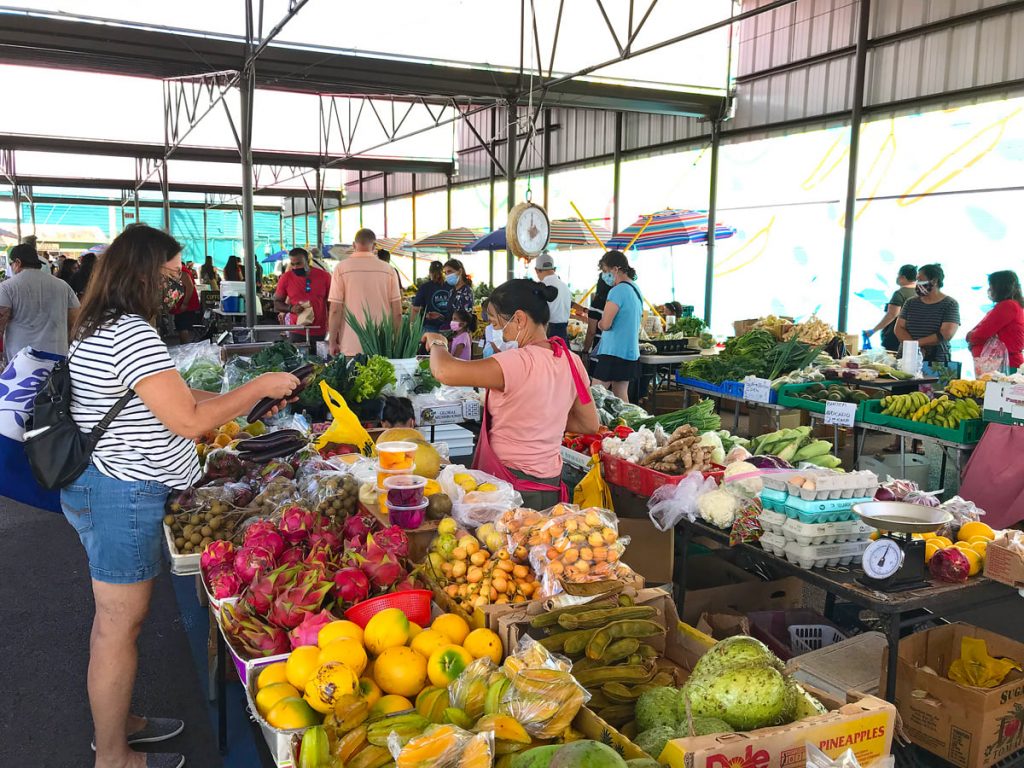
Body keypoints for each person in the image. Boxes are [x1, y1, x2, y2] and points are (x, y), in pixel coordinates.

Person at [62, 224, 300, 768]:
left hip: (105, 484)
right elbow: (187, 419)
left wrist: (233, 399)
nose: (180, 283)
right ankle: (114, 755)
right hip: (121, 491)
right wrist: (257, 389)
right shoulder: (131, 333)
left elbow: (171, 394)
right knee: (118, 625)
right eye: (173, 273)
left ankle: (118, 722)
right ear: (144, 273)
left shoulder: (102, 322)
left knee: (118, 622)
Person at [422, 279, 599, 509]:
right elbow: (590, 424)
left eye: (497, 323)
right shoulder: (571, 361)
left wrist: (437, 342)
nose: (497, 332)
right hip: (551, 485)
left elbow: (444, 371)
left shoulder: (517, 362)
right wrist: (543, 419)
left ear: (519, 319)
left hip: (510, 489)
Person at [0, 242, 80, 361]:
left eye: (11, 264)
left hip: (20, 362)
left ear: (18, 262)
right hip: (56, 359)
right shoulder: (63, 285)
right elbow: (75, 321)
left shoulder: (7, 287)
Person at [328, 228, 402, 357]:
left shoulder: (341, 268)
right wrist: (397, 341)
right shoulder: (389, 270)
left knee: (353, 376)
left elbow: (335, 310)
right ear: (374, 246)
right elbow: (398, 313)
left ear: (353, 245)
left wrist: (332, 341)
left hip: (350, 344)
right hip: (382, 344)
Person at [591, 250, 642, 402]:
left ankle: (592, 425)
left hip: (613, 352)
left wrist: (599, 323)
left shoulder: (617, 291)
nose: (605, 275)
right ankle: (629, 424)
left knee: (594, 394)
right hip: (630, 352)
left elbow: (606, 324)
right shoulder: (635, 289)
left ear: (616, 269)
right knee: (621, 395)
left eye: (606, 271)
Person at [895, 264, 960, 365]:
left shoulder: (950, 304)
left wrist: (917, 345)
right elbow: (899, 328)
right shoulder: (910, 302)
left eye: (920, 280)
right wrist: (914, 348)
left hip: (935, 362)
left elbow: (946, 333)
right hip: (907, 357)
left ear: (934, 281)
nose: (917, 283)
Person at [274, 247, 331, 347]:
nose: (295, 267)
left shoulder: (325, 277)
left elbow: (331, 303)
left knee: (321, 361)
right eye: (292, 264)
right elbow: (277, 304)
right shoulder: (286, 278)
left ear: (308, 261)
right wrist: (291, 308)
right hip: (297, 331)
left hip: (320, 330)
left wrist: (332, 325)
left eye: (299, 263)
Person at [968, 270, 1024, 371]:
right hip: (1003, 365)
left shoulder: (1008, 306)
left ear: (1000, 287)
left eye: (991, 286)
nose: (989, 290)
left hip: (1004, 366)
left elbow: (980, 334)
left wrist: (971, 337)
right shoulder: (1013, 305)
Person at [864, 264, 917, 352]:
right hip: (913, 338)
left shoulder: (900, 294)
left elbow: (892, 315)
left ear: (902, 277)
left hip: (895, 338)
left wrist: (873, 331)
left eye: (898, 275)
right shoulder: (920, 293)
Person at [533, 252, 571, 343]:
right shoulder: (565, 287)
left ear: (536, 270)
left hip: (547, 333)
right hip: (563, 333)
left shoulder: (541, 288)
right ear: (554, 269)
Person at [410, 260, 452, 333]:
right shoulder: (451, 286)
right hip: (448, 328)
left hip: (429, 328)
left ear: (430, 273)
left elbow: (416, 309)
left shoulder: (425, 287)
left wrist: (412, 327)